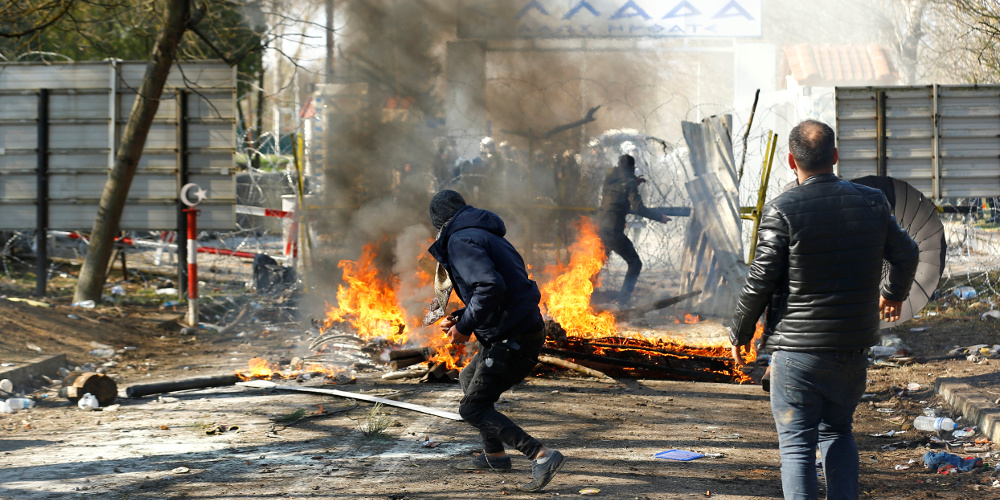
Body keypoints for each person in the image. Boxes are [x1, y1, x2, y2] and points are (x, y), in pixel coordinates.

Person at [728, 120, 919, 500]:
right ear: (835, 156)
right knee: (839, 432)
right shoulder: (872, 201)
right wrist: (893, 294)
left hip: (797, 355)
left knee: (797, 448)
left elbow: (761, 280)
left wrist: (740, 332)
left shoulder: (782, 209)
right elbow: (909, 252)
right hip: (852, 351)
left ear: (790, 160)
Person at [426, 189, 566, 492]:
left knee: (472, 409)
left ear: (438, 221)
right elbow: (499, 289)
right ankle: (495, 455)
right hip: (514, 329)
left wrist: (464, 327)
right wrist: (462, 315)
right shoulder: (482, 234)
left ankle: (541, 455)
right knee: (468, 377)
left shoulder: (460, 240)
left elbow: (490, 286)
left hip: (511, 336)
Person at [596, 154, 672, 305]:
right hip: (613, 232)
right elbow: (639, 209)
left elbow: (618, 190)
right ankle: (622, 301)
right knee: (635, 263)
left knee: (596, 263)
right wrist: (659, 217)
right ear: (632, 168)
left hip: (600, 227)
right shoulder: (629, 183)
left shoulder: (609, 179)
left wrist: (633, 182)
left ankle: (583, 296)